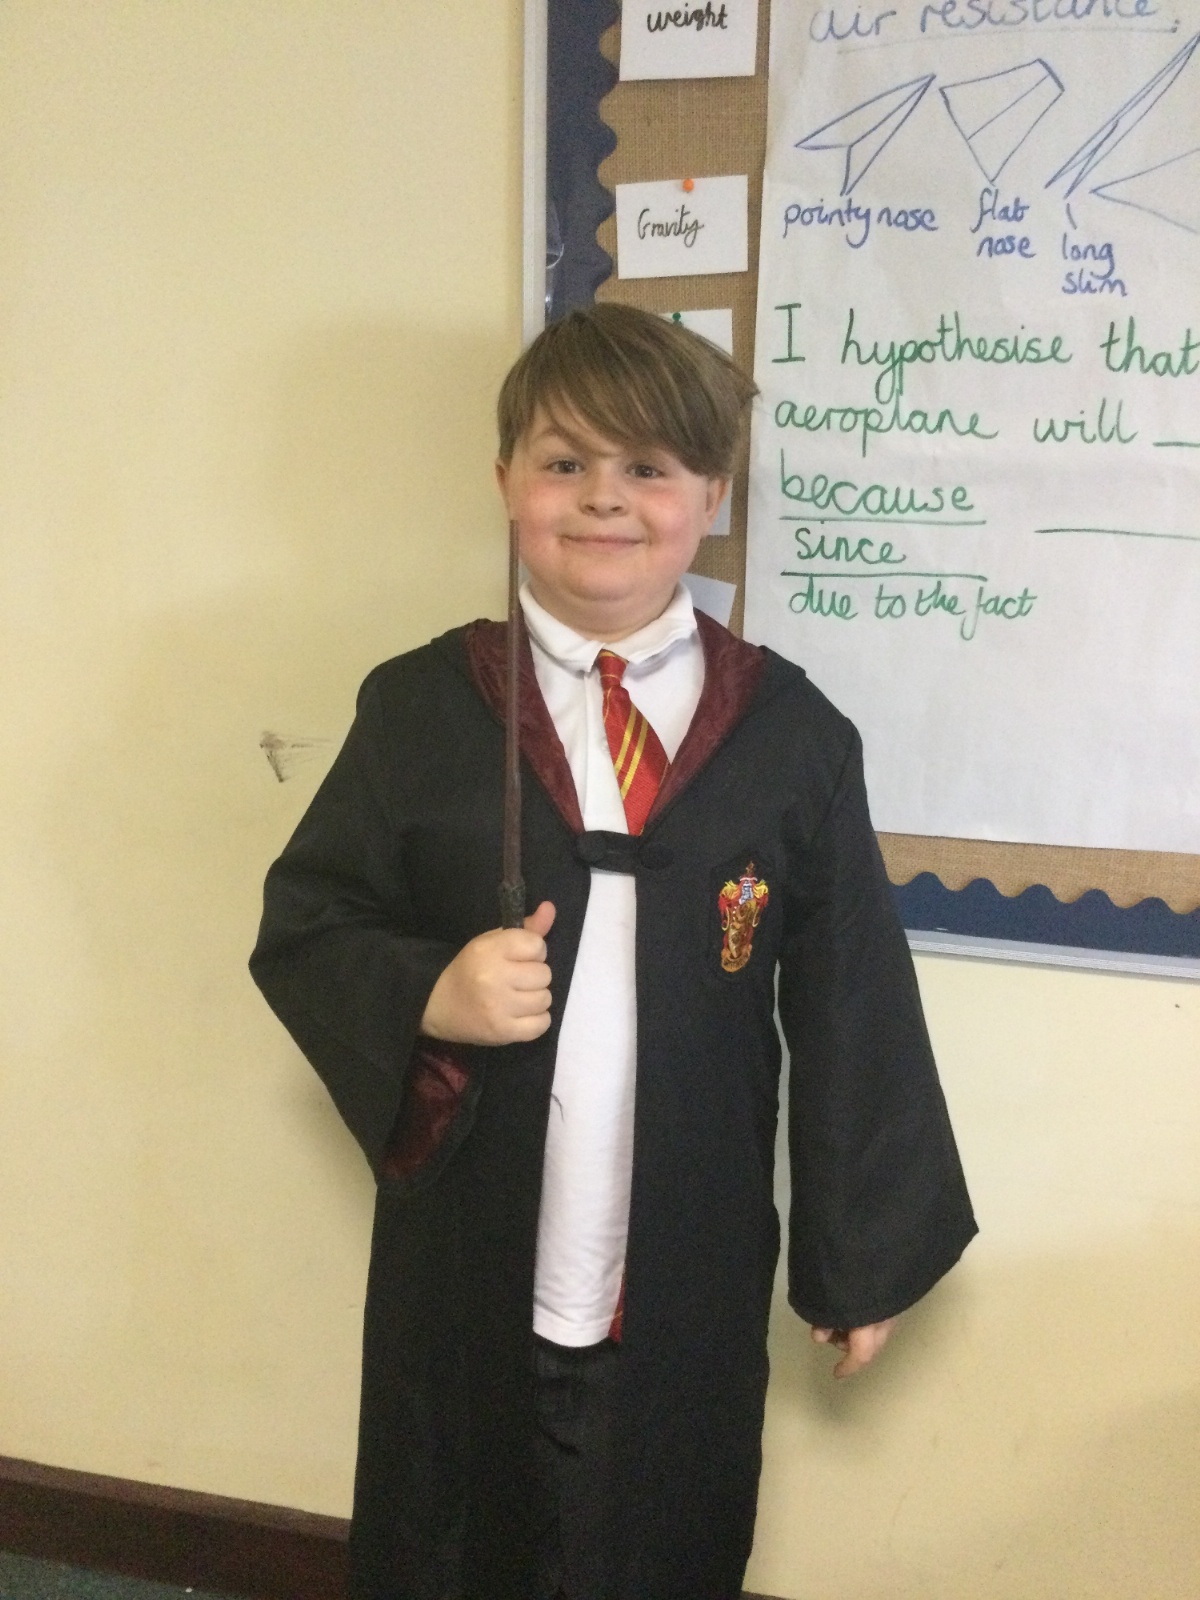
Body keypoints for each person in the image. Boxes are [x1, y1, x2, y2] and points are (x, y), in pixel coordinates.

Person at [250, 303, 976, 1600]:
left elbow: (853, 997)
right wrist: (433, 991)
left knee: (661, 1542)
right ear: (505, 482)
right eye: (564, 461)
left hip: (685, 1256)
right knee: (452, 1538)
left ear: (713, 495)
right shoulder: (422, 706)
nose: (604, 498)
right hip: (470, 1254)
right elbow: (312, 922)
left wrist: (862, 1255)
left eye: (648, 466)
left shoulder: (790, 736)